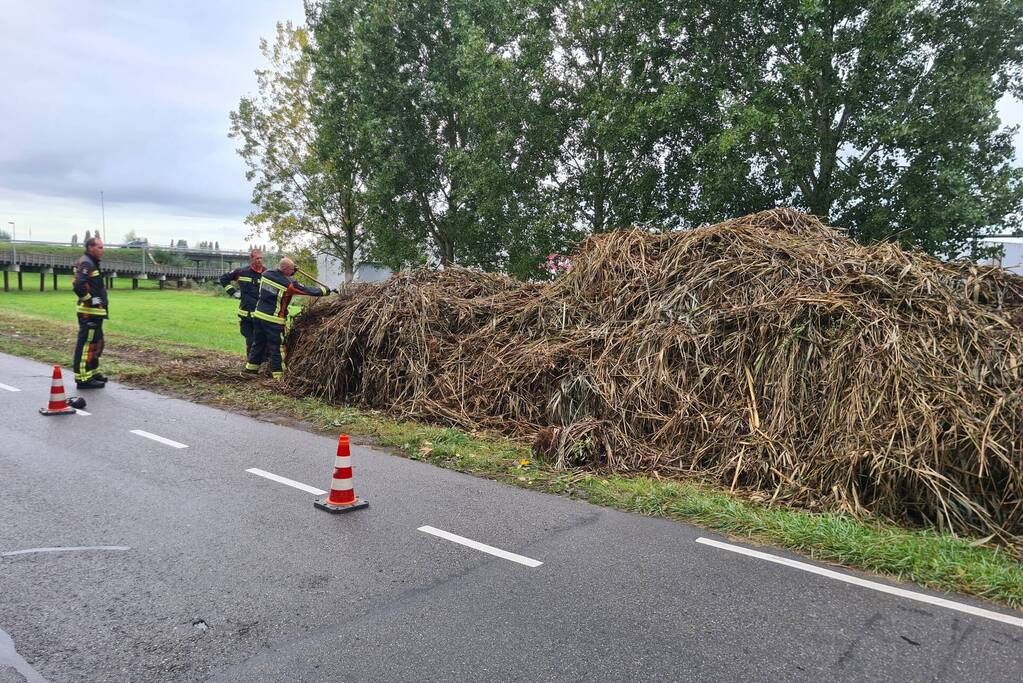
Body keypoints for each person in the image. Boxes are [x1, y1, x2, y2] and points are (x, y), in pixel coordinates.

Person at [246, 257, 330, 379]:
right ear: (285, 269)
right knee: (277, 347)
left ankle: (251, 369)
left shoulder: (266, 274)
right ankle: (279, 376)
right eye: (291, 269)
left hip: (258, 316)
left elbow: (283, 275)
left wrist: (292, 271)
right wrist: (324, 291)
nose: (293, 271)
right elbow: (306, 290)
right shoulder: (288, 284)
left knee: (258, 343)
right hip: (273, 320)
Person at [72, 237, 108, 389]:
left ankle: (92, 372)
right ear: (90, 247)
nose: (102, 250)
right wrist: (90, 300)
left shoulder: (92, 263)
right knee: (87, 344)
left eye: (102, 247)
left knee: (96, 343)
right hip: (89, 313)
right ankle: (83, 379)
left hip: (96, 312)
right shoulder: (87, 262)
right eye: (99, 247)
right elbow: (78, 285)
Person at [218, 248, 265, 355]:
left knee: (263, 341)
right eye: (257, 258)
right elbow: (223, 279)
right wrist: (233, 292)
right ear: (251, 259)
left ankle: (262, 363)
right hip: (246, 314)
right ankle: (250, 363)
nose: (259, 260)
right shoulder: (241, 272)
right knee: (251, 340)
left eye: (261, 258)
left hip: (262, 314)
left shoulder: (267, 273)